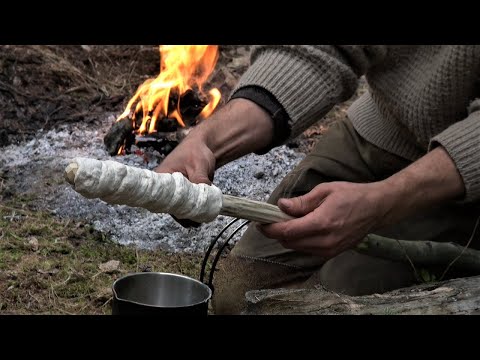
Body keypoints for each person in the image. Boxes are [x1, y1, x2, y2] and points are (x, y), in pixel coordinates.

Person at [155, 45, 480, 314]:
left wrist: (382, 202)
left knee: (328, 305)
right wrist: (208, 142)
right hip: (383, 129)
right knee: (237, 296)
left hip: (466, 181)